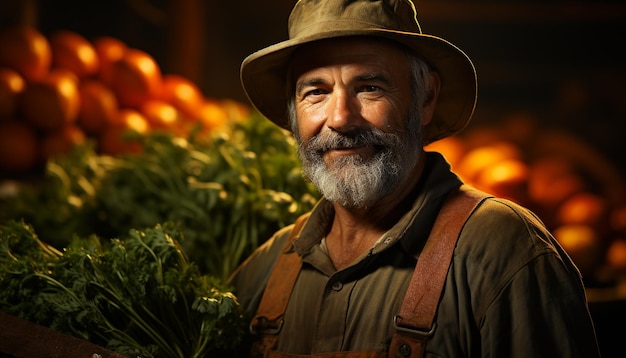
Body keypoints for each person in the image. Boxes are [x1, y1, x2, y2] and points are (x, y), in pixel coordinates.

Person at [229, 0, 601, 356]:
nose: (341, 118)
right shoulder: (264, 272)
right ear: (295, 114)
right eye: (316, 92)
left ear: (427, 98)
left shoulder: (506, 253)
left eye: (370, 87)